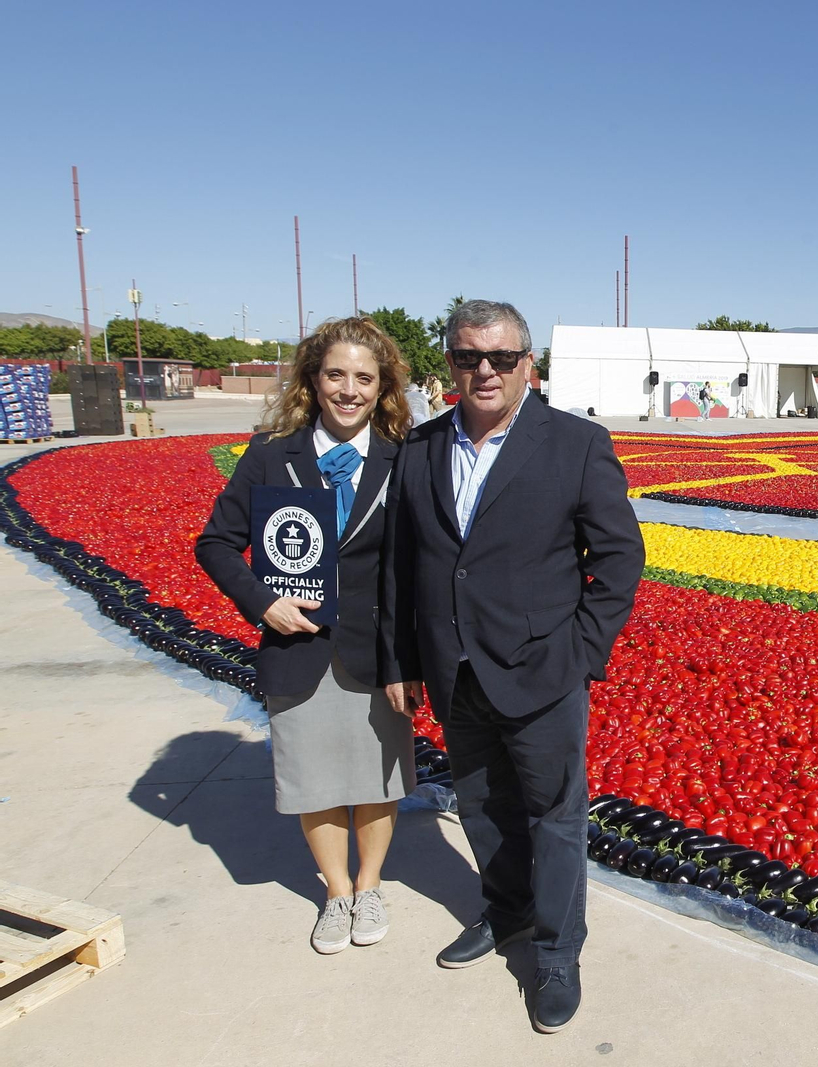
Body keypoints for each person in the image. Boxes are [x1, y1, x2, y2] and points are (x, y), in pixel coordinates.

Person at [381, 300, 645, 1030]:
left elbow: (620, 557)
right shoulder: (423, 447)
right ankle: (508, 913)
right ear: (451, 365)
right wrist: (403, 657)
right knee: (481, 807)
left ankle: (558, 952)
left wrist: (581, 653)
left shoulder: (575, 443)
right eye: (469, 357)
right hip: (454, 668)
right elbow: (406, 565)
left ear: (529, 362)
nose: (485, 371)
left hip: (542, 670)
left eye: (501, 357)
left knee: (555, 818)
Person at [195, 317, 415, 956]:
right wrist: (264, 603)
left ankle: (371, 886)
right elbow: (215, 543)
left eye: (364, 378)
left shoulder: (403, 456)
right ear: (313, 380)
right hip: (300, 648)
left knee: (379, 777)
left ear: (384, 387)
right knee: (312, 779)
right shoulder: (273, 453)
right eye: (336, 374)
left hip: (378, 650)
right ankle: (338, 892)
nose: (349, 390)